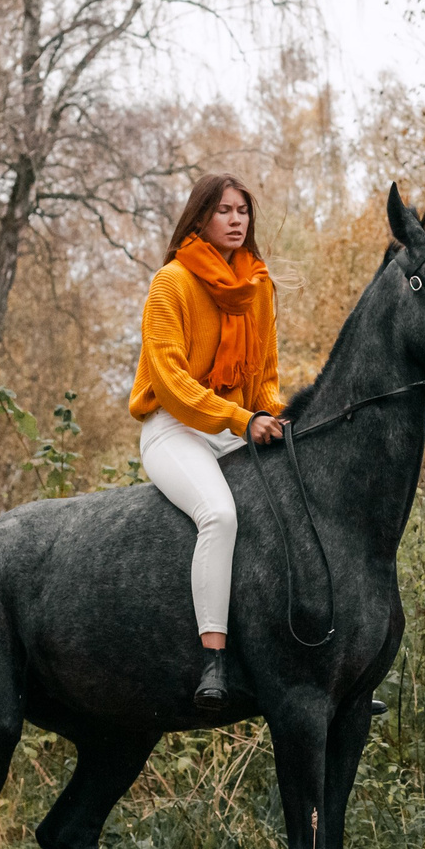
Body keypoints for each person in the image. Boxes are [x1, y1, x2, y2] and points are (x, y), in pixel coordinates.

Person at [128, 174, 288, 712]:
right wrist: (240, 419)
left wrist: (269, 414)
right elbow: (171, 382)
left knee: (300, 499)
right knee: (219, 515)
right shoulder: (170, 283)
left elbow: (264, 373)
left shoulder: (258, 286)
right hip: (175, 429)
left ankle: (309, 661)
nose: (237, 220)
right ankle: (213, 660)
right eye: (224, 210)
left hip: (234, 425)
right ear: (200, 218)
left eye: (243, 210)